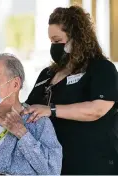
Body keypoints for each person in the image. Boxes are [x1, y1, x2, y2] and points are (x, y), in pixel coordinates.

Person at [21, 5, 118, 175]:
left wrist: (51, 110)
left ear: (77, 39)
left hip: (91, 165)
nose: (54, 46)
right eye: (51, 41)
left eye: (58, 41)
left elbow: (97, 110)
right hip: (53, 166)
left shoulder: (101, 69)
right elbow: (28, 107)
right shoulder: (47, 74)